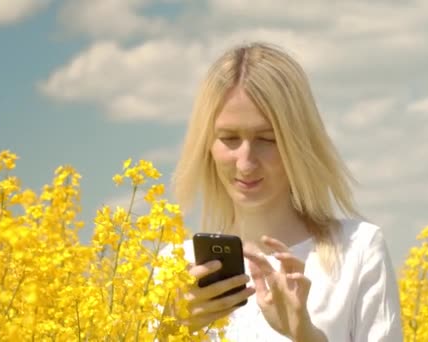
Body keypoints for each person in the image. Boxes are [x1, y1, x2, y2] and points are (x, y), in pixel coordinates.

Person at [163, 41, 403, 341]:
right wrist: (169, 331)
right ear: (206, 146)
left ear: (298, 142)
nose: (246, 163)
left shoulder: (358, 251)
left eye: (267, 139)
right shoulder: (172, 268)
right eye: (229, 138)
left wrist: (305, 335)